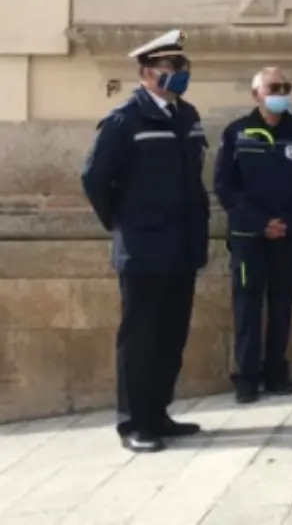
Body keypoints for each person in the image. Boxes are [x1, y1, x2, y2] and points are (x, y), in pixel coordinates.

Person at [81, 30, 209, 453]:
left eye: (182, 67)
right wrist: (124, 224)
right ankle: (134, 423)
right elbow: (95, 179)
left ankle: (158, 413)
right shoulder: (125, 120)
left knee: (172, 335)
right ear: (146, 74)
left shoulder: (187, 117)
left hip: (182, 245)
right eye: (171, 69)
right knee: (140, 338)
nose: (179, 75)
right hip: (143, 248)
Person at [214, 67, 292, 403]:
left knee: (282, 305)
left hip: (288, 236)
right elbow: (224, 186)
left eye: (285, 87)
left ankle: (276, 373)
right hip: (249, 237)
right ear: (256, 94)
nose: (280, 92)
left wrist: (288, 222)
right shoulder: (237, 132)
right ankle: (246, 378)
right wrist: (261, 222)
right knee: (247, 306)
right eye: (273, 87)